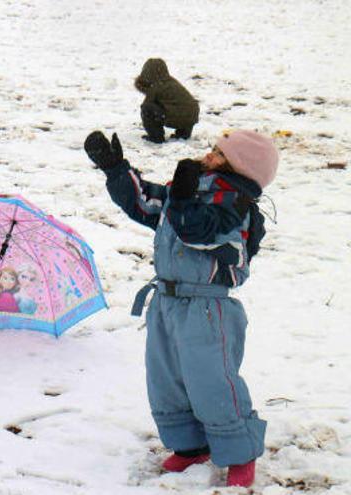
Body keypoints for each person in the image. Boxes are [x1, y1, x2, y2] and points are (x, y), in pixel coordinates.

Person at [83, 129, 278, 488]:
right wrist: (115, 169)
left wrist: (186, 198)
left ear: (239, 165)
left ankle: (239, 452)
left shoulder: (235, 204)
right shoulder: (193, 189)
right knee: (166, 378)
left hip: (207, 307)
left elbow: (200, 233)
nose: (210, 154)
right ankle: (190, 444)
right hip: (167, 301)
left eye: (220, 152)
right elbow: (146, 205)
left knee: (212, 381)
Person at [134, 58, 199, 143]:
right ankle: (183, 133)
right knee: (182, 107)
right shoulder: (171, 82)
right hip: (192, 116)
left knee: (147, 108)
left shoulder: (155, 86)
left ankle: (156, 137)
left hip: (178, 116)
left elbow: (147, 105)